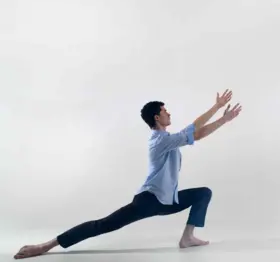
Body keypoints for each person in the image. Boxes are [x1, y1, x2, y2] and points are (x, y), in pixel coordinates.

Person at [13, 89, 242, 259]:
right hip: (148, 201)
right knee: (102, 225)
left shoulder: (168, 139)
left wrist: (219, 111)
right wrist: (221, 115)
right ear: (156, 117)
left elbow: (193, 129)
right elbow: (198, 133)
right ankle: (46, 245)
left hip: (166, 201)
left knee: (203, 193)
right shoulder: (161, 140)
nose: (168, 113)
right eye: (165, 111)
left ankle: (187, 238)